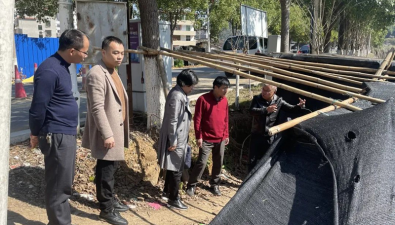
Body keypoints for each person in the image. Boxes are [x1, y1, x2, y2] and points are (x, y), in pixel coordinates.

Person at [29, 29, 89, 225]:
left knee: (63, 183)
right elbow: (38, 107)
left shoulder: (63, 66)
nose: (85, 56)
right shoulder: (49, 70)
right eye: (84, 52)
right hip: (56, 134)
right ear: (72, 50)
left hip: (65, 133)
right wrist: (35, 133)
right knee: (58, 186)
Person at [82, 36, 129, 225]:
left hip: (115, 130)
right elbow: (97, 108)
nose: (119, 57)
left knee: (111, 168)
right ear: (103, 52)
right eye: (115, 53)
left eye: (122, 53)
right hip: (107, 132)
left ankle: (110, 201)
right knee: (105, 171)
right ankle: (106, 209)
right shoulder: (96, 73)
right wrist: (107, 134)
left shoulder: (112, 71)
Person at [157, 69, 199, 210]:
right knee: (176, 170)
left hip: (180, 137)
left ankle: (167, 192)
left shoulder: (181, 93)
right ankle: (174, 198)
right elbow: (173, 120)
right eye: (190, 85)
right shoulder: (177, 96)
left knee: (173, 166)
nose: (192, 88)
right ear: (182, 83)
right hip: (175, 138)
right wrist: (173, 140)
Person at [186, 76, 230, 197]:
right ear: (215, 87)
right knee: (202, 162)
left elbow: (226, 118)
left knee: (218, 162)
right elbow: (197, 119)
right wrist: (198, 136)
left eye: (227, 88)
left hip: (220, 138)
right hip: (206, 138)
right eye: (223, 88)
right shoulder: (203, 99)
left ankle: (214, 184)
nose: (225, 91)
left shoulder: (224, 100)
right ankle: (192, 185)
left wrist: (226, 134)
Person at [248, 83, 306, 172]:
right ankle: (248, 180)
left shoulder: (279, 101)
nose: (264, 92)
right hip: (257, 133)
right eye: (263, 89)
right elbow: (251, 111)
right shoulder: (257, 99)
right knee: (252, 159)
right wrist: (266, 110)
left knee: (266, 158)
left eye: (267, 91)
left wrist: (299, 106)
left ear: (274, 92)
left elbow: (291, 108)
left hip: (269, 135)